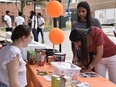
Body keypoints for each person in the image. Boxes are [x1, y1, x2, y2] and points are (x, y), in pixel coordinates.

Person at [71, 1, 101, 65]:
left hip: (93, 53)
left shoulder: (95, 21)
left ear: (87, 11)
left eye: (83, 11)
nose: (81, 13)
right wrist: (74, 56)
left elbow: (101, 38)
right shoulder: (75, 24)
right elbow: (73, 42)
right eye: (79, 11)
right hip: (80, 53)